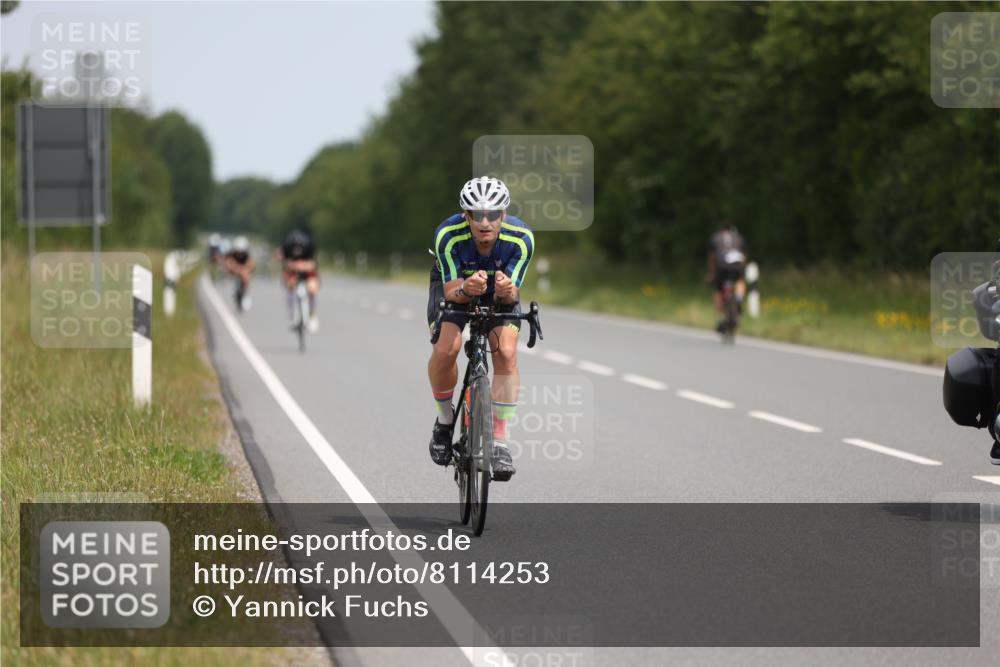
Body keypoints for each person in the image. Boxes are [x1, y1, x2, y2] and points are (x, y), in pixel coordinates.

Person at [426, 176, 534, 480]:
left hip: (497, 291)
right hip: (455, 286)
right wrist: (466, 289)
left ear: (504, 213)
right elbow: (450, 290)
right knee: (447, 348)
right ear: (466, 215)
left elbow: (512, 294)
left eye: (493, 214)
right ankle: (445, 422)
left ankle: (499, 440)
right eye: (477, 214)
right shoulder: (447, 235)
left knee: (507, 352)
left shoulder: (521, 238)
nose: (485, 222)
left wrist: (505, 291)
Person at [707, 222, 748, 333]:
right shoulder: (739, 237)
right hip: (737, 264)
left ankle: (721, 307)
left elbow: (712, 257)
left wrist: (711, 274)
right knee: (740, 281)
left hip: (721, 266)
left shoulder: (716, 237)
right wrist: (742, 271)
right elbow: (744, 257)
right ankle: (739, 299)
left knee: (718, 289)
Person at [280, 228, 319, 332]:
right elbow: (284, 263)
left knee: (312, 288)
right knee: (290, 285)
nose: (297, 250)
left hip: (307, 269)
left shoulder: (309, 246)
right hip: (292, 269)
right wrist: (292, 267)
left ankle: (312, 315)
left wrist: (301, 266)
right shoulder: (287, 246)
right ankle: (292, 315)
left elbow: (312, 264)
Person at [224, 236, 255, 311]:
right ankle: (233, 288)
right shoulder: (231, 254)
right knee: (232, 272)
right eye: (238, 251)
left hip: (243, 270)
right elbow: (228, 263)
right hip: (234, 269)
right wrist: (235, 269)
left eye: (242, 251)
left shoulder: (247, 255)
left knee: (246, 275)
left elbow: (251, 264)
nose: (240, 253)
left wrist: (245, 270)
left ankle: (246, 293)